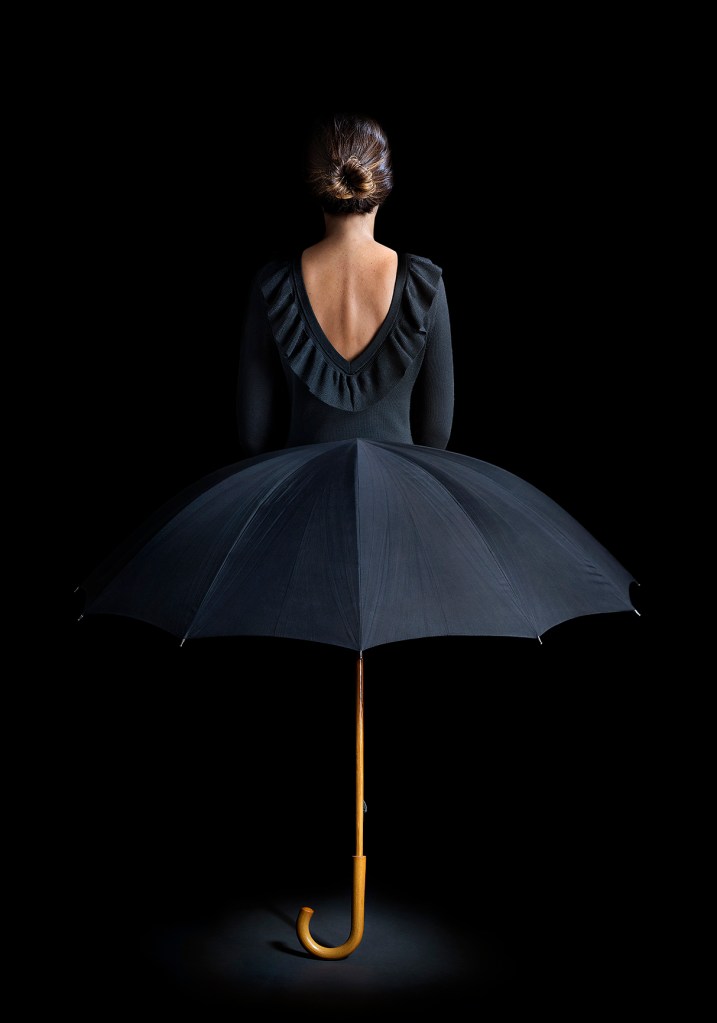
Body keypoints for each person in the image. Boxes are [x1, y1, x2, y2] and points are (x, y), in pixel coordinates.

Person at [236, 113, 454, 458]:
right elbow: (437, 431)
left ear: (315, 184)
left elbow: (253, 432)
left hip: (303, 485)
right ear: (383, 182)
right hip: (396, 485)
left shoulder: (274, 285)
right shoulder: (423, 285)